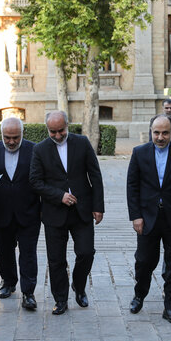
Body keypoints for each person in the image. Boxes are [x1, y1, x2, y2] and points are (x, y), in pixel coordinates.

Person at [30, 110, 104, 315]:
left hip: (82, 210)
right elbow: (35, 182)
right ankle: (60, 299)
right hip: (54, 213)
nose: (57, 135)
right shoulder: (40, 149)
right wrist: (58, 195)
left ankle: (78, 287)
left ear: (68, 125)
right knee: (56, 259)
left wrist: (98, 207)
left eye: (61, 130)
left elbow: (95, 175)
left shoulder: (82, 143)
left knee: (86, 252)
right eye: (52, 132)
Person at [126, 114, 171, 325]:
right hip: (147, 218)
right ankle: (139, 295)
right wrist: (136, 216)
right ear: (151, 131)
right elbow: (132, 186)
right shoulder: (139, 153)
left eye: (165, 133)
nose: (160, 137)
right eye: (156, 132)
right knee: (144, 261)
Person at [0, 117, 41, 310]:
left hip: (29, 212)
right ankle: (8, 282)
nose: (12, 141)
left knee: (28, 254)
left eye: (16, 137)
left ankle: (28, 292)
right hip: (1, 211)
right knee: (4, 251)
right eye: (7, 137)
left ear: (22, 134)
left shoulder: (35, 150)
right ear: (2, 135)